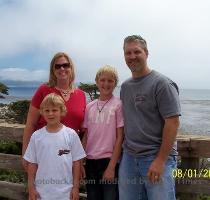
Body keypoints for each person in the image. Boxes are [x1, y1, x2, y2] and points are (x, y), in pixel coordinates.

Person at [119, 35, 181, 200]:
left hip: (157, 156)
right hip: (129, 157)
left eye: (137, 52)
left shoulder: (162, 84)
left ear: (146, 53)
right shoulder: (125, 87)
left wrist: (161, 160)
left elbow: (173, 123)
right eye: (128, 53)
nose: (132, 57)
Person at [22, 52, 86, 169]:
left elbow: (83, 129)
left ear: (71, 68)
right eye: (58, 66)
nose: (62, 68)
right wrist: (25, 155)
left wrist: (80, 160)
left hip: (69, 155)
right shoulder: (43, 90)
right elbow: (30, 124)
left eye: (65, 65)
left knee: (68, 186)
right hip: (44, 153)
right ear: (53, 70)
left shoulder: (81, 95)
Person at [23, 93, 86, 200]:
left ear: (62, 111)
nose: (50, 114)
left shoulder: (71, 135)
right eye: (47, 110)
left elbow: (76, 163)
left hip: (66, 193)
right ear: (42, 112)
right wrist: (31, 188)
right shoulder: (36, 136)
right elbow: (32, 164)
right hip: (41, 193)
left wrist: (75, 188)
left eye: (54, 110)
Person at [82, 65, 124, 200]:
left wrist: (112, 166)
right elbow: (87, 135)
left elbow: (120, 137)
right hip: (90, 161)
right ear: (97, 81)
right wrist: (81, 162)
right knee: (93, 196)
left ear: (115, 84)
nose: (106, 84)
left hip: (109, 161)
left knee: (110, 196)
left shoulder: (118, 105)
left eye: (110, 81)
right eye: (103, 80)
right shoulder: (89, 106)